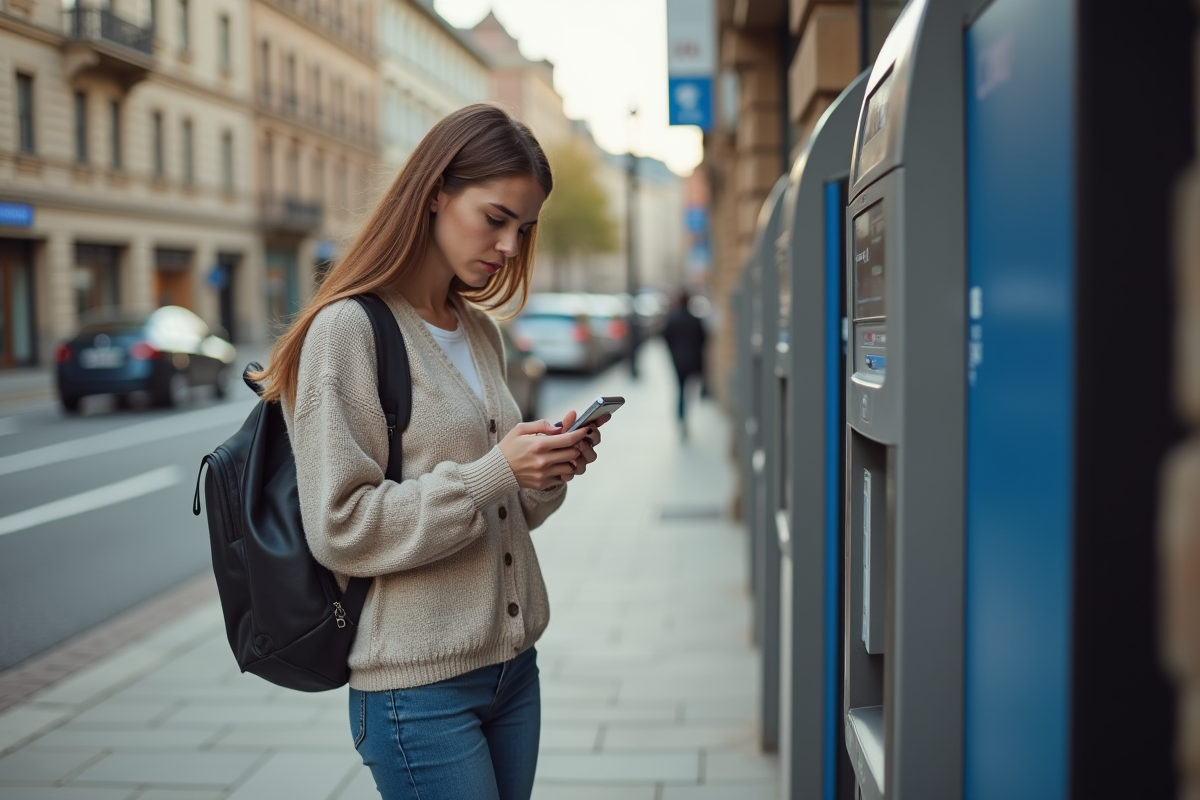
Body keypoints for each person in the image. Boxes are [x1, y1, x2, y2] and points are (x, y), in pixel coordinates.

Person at [248, 104, 608, 800]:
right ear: (436, 191)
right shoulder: (347, 330)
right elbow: (341, 527)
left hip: (512, 670)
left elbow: (509, 511)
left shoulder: (478, 331)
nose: (508, 245)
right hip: (418, 691)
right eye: (496, 217)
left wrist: (546, 469)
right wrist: (496, 469)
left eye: (523, 230)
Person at [661, 291, 708, 440]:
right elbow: (704, 339)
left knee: (680, 390)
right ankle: (685, 417)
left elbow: (665, 337)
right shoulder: (695, 320)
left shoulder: (673, 320)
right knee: (690, 391)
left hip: (678, 361)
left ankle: (681, 419)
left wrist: (673, 352)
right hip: (693, 360)